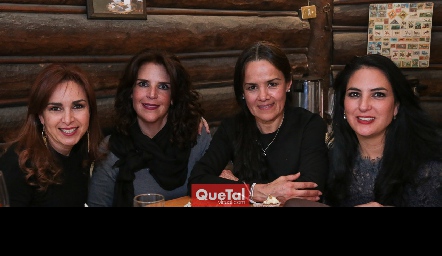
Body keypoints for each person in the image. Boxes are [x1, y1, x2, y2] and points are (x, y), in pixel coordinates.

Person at [187, 41, 329, 205]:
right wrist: (255, 191)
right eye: (252, 87)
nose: (263, 96)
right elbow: (197, 185)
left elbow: (310, 192)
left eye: (272, 84)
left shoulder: (309, 125)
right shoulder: (232, 127)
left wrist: (236, 186)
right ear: (242, 91)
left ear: (288, 83)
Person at [87, 48, 211, 207]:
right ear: (131, 92)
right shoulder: (111, 150)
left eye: (163, 86)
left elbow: (220, 194)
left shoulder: (197, 137)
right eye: (143, 84)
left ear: (173, 97)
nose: (152, 94)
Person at [324, 54, 442, 207]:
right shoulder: (327, 159)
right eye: (354, 94)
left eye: (378, 95)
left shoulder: (432, 166)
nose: (364, 106)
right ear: (343, 105)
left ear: (396, 106)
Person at [0, 63, 103, 207]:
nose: (68, 119)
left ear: (90, 112)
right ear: (41, 116)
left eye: (78, 106)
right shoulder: (18, 165)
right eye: (55, 108)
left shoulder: (83, 154)